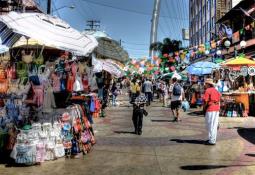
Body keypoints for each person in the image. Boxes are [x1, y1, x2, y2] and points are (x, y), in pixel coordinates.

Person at [203, 78, 221, 145]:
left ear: (208, 84)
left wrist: (203, 109)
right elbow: (219, 100)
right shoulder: (216, 90)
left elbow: (205, 101)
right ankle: (212, 139)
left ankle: (212, 140)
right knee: (214, 124)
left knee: (210, 125)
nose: (205, 85)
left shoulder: (207, 90)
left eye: (206, 84)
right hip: (216, 109)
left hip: (210, 108)